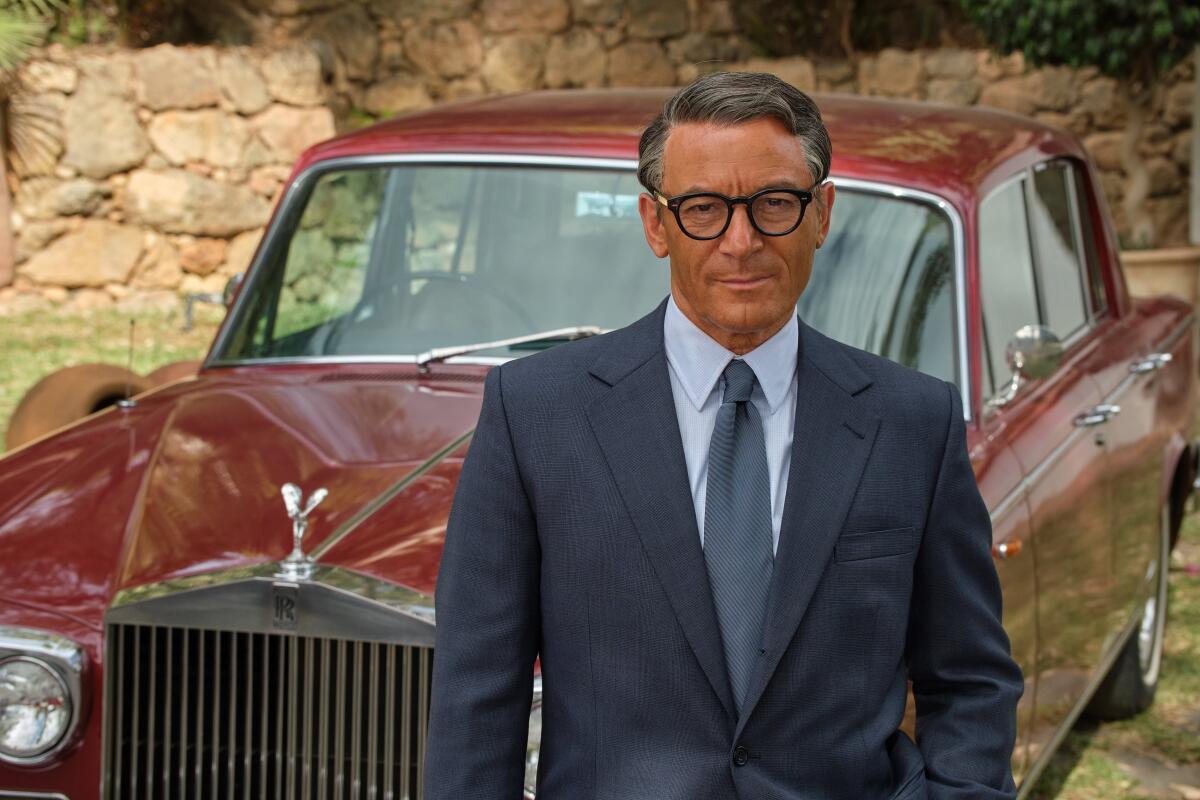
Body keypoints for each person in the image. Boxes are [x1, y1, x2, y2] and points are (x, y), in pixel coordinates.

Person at [425, 71, 1023, 800]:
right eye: (704, 208)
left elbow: (970, 679)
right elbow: (476, 697)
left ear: (822, 213)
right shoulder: (533, 413)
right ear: (655, 223)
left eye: (774, 203)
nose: (741, 242)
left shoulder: (913, 424)